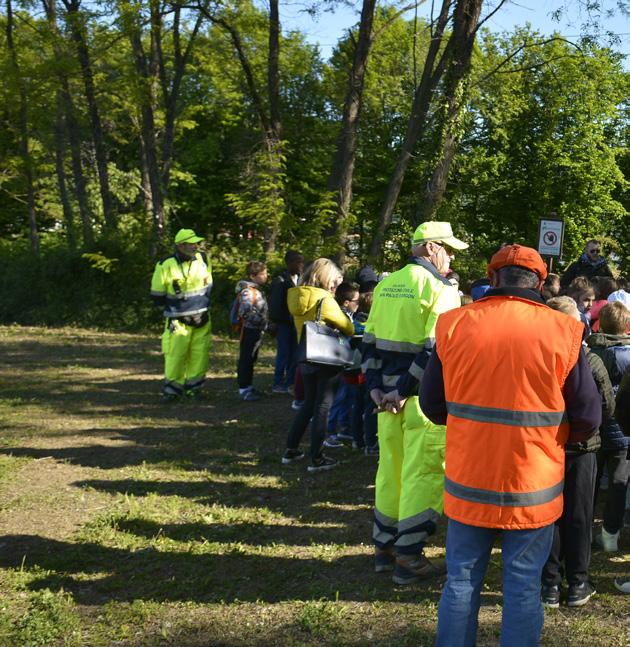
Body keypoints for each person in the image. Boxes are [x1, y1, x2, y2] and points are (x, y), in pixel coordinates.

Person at [420, 244, 601, 647]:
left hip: (470, 480)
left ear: (493, 276)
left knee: (461, 583)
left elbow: (432, 405)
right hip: (533, 483)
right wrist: (553, 440)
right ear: (539, 282)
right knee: (522, 586)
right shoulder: (565, 331)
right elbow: (588, 417)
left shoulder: (454, 324)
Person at [362, 221, 466, 584]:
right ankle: (409, 557)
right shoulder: (442, 290)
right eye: (448, 250)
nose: (450, 258)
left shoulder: (387, 284)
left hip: (384, 402)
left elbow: (369, 340)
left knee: (389, 471)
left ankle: (384, 547)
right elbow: (435, 350)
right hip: (420, 402)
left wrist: (376, 388)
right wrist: (404, 389)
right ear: (432, 248)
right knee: (422, 473)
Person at [541, 296, 614, 608]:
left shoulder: (538, 357)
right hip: (582, 448)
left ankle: (550, 586)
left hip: (547, 445)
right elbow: (607, 407)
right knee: (579, 516)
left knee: (549, 516)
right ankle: (578, 583)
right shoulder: (591, 360)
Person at [282, 258, 354, 472]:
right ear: (325, 277)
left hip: (305, 355)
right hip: (326, 358)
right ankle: (317, 457)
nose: (335, 285)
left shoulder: (296, 296)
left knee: (308, 403)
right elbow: (347, 327)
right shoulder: (325, 299)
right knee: (323, 407)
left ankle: (291, 449)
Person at [587, 301, 630, 551]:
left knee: (590, 482)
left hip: (596, 425)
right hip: (623, 430)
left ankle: (584, 528)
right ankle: (610, 534)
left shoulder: (591, 352)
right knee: (618, 484)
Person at [150, 228, 213, 401]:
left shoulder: (204, 259)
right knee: (175, 355)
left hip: (203, 318)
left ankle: (195, 389)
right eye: (191, 243)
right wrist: (177, 312)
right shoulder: (165, 264)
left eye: (196, 243)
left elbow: (208, 287)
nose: (195, 246)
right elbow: (157, 296)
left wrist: (203, 309)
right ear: (180, 245)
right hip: (178, 321)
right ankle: (172, 391)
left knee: (199, 355)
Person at [325, 281, 361, 448]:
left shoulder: (348, 315)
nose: (358, 305)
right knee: (338, 399)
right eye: (356, 301)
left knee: (345, 397)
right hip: (340, 362)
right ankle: (330, 432)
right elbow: (349, 331)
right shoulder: (340, 317)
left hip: (346, 362)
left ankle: (342, 428)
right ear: (346, 303)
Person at [269, 251, 304, 394]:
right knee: (283, 353)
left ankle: (290, 381)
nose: (300, 265)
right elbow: (276, 304)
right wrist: (276, 322)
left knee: (294, 353)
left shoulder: (300, 279)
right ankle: (278, 382)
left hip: (295, 323)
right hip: (284, 323)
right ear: (289, 263)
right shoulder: (280, 280)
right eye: (297, 262)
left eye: (302, 262)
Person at [234, 261, 269, 402]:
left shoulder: (256, 290)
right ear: (253, 276)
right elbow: (246, 312)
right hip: (249, 330)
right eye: (263, 274)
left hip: (256, 330)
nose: (266, 276)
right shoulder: (248, 292)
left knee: (251, 358)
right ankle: (244, 389)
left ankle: (248, 386)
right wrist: (265, 324)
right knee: (246, 359)